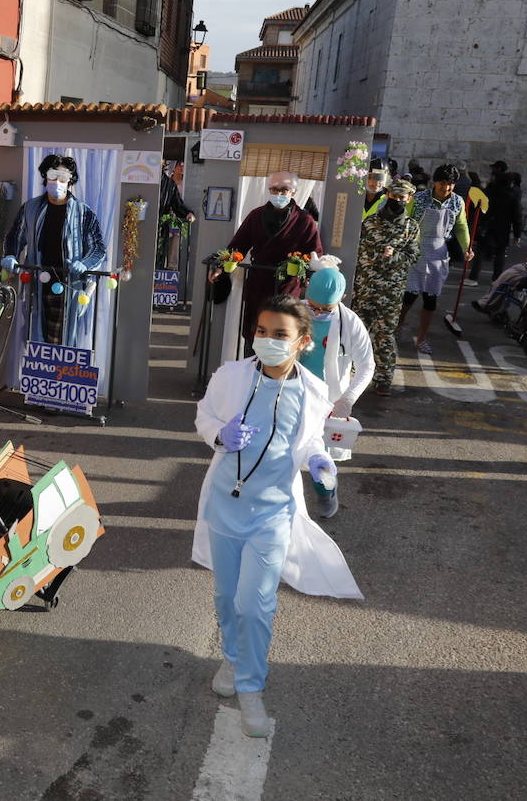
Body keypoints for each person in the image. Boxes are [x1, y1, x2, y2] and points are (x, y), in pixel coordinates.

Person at [191, 295, 362, 738]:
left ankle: (251, 692)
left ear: (303, 342)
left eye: (280, 335)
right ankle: (232, 656)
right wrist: (218, 435)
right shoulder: (230, 376)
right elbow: (205, 416)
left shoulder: (312, 391)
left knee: (255, 604)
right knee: (228, 599)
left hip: (272, 515)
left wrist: (321, 464)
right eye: (261, 332)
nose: (267, 341)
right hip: (224, 508)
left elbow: (306, 444)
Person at [2, 154, 107, 347]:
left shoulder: (84, 213)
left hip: (68, 284)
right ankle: (38, 376)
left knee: (63, 341)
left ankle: (61, 376)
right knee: (35, 337)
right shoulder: (30, 208)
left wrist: (84, 263)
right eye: (52, 175)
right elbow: (16, 236)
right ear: (45, 177)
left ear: (70, 181)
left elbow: (99, 249)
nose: (57, 182)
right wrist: (11, 254)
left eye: (63, 177)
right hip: (37, 284)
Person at [215, 171, 323, 356]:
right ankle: (251, 374)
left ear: (293, 192)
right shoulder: (256, 215)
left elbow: (315, 254)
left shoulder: (305, 221)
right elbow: (237, 246)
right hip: (258, 283)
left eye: (284, 190)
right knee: (256, 331)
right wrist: (220, 267)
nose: (279, 194)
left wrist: (306, 273)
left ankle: (279, 375)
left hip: (288, 286)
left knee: (283, 331)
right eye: (274, 189)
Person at [297, 266, 373, 518]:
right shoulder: (293, 311)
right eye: (313, 306)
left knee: (322, 462)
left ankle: (326, 494)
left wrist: (348, 398)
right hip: (293, 393)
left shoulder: (350, 322)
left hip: (328, 402)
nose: (316, 313)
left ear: (340, 300)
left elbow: (366, 365)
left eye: (324, 309)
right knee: (283, 453)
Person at [351, 180, 420, 396]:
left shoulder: (411, 227)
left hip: (391, 293)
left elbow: (413, 256)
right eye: (394, 196)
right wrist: (376, 255)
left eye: (402, 197)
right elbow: (358, 251)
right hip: (365, 287)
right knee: (357, 331)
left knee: (384, 335)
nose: (397, 201)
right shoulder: (370, 222)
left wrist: (394, 255)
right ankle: (349, 372)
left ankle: (383, 378)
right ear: (387, 195)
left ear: (408, 199)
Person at [400, 164, 472, 355]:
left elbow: (461, 227)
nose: (446, 188)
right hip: (416, 251)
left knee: (430, 300)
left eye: (450, 184)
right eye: (442, 183)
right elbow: (405, 220)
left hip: (439, 255)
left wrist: (467, 247)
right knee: (408, 296)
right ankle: (396, 327)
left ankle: (422, 338)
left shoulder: (457, 202)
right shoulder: (419, 198)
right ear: (435, 182)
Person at [469, 161, 523, 283]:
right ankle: (496, 278)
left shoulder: (488, 193)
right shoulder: (512, 196)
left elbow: (479, 208)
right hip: (503, 228)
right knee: (500, 253)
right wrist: (517, 234)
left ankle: (473, 278)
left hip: (487, 226)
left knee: (480, 252)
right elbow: (517, 217)